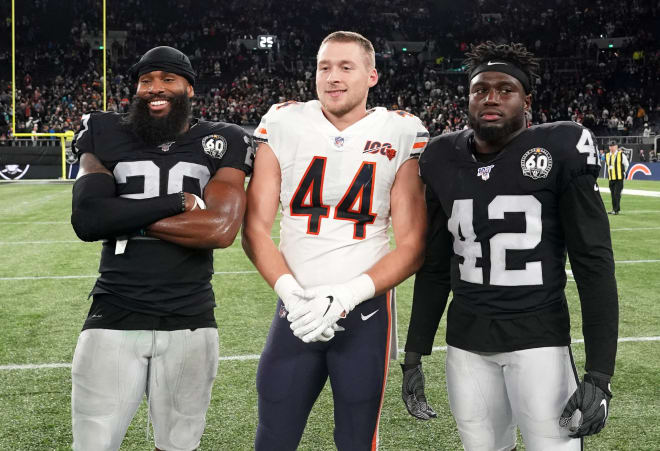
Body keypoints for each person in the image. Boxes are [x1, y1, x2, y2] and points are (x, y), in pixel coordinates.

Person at [402, 41, 619, 450]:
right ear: (467, 97)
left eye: (505, 90)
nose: (491, 98)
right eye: (480, 89)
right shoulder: (441, 157)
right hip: (465, 344)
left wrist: (599, 375)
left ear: (526, 101)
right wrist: (415, 353)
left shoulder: (559, 148)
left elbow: (594, 265)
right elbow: (435, 267)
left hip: (539, 342)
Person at [242, 31, 429, 450]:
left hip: (364, 314)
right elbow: (254, 229)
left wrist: (346, 296)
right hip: (296, 311)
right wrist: (292, 295)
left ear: (372, 75)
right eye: (324, 67)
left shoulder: (400, 131)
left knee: (357, 441)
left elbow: (412, 245)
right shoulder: (284, 121)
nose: (332, 77)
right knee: (272, 437)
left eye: (346, 67)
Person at [69, 46, 254, 451]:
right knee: (92, 444)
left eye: (168, 79)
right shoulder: (104, 130)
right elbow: (88, 219)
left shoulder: (222, 138)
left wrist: (122, 215)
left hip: (190, 316)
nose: (156, 88)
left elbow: (220, 229)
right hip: (114, 312)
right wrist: (178, 203)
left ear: (188, 87)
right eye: (146, 80)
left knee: (179, 445)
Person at [605, 139, 629, 215]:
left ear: (616, 147)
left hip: (619, 178)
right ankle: (614, 209)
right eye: (610, 146)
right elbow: (608, 166)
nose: (611, 148)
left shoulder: (621, 154)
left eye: (613, 146)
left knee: (616, 194)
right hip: (611, 178)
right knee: (612, 194)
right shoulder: (607, 155)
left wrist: (623, 172)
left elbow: (626, 165)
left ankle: (616, 210)